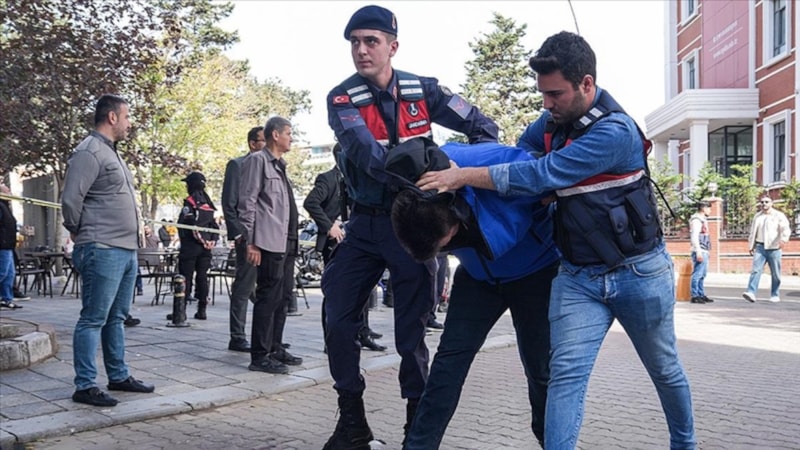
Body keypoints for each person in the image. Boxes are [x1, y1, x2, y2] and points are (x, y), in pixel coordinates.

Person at [416, 32, 696, 449]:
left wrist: (463, 176)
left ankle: (685, 443)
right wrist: (536, 181)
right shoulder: (551, 123)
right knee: (563, 376)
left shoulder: (615, 131)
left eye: (555, 94)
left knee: (664, 369)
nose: (547, 104)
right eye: (543, 94)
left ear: (586, 83)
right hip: (578, 277)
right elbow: (524, 156)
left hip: (638, 273)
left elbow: (541, 174)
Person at [322, 5, 499, 448]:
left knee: (412, 333)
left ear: (393, 46)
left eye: (371, 41)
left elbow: (484, 126)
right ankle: (351, 422)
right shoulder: (342, 98)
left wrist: (461, 172)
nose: (361, 50)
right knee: (337, 318)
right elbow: (369, 156)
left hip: (414, 229)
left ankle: (415, 428)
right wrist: (426, 167)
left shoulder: (424, 90)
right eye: (355, 42)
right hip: (365, 224)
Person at [385, 138, 558, 449]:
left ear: (453, 209)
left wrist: (469, 178)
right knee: (447, 366)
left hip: (534, 272)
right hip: (478, 278)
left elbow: (548, 176)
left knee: (540, 369)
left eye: (449, 242)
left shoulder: (485, 159)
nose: (450, 247)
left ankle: (553, 442)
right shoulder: (412, 192)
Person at [61, 94, 155, 407]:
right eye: (127, 117)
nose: (129, 123)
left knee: (116, 317)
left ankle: (118, 375)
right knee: (93, 318)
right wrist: (78, 230)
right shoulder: (89, 151)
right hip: (101, 247)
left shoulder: (110, 152)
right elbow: (71, 200)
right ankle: (85, 385)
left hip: (125, 249)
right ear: (112, 117)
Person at [303, 146, 386, 352]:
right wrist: (329, 225)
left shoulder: (359, 177)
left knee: (364, 288)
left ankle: (362, 332)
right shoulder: (328, 178)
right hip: (336, 241)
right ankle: (331, 338)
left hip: (359, 238)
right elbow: (311, 203)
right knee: (335, 290)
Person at [238, 116, 302, 374]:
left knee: (283, 296)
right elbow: (247, 202)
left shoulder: (280, 165)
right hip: (267, 241)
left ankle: (275, 347)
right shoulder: (257, 161)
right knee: (268, 297)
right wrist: (251, 242)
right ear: (275, 135)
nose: (291, 138)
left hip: (287, 240)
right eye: (288, 133)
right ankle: (260, 355)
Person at [221, 126, 265, 352]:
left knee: (265, 289)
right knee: (244, 286)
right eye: (263, 140)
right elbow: (229, 203)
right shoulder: (238, 165)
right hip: (248, 237)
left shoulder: (272, 166)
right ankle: (237, 336)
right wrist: (239, 234)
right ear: (252, 143)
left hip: (269, 237)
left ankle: (268, 335)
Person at [177, 171, 219, 320]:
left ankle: (180, 311)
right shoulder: (208, 203)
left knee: (185, 278)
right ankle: (202, 310)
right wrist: (211, 241)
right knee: (202, 278)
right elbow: (214, 226)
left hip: (190, 247)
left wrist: (202, 240)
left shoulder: (190, 202)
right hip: (206, 249)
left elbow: (190, 225)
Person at [743, 195, 791, 303]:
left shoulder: (778, 215)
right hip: (760, 247)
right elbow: (753, 232)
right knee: (756, 270)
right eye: (762, 202)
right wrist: (751, 245)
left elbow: (785, 229)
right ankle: (751, 292)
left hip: (774, 248)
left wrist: (783, 240)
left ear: (771, 203)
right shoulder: (757, 216)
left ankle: (775, 294)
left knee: (775, 273)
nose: (764, 204)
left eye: (766, 202)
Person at [0, 182, 22, 310]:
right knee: (2, 272)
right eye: (7, 191)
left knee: (10, 274)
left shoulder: (5, 206)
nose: (10, 193)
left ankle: (6, 299)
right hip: (2, 245)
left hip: (8, 244)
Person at [689, 201, 713, 304]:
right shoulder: (697, 220)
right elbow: (694, 236)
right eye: (709, 208)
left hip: (704, 249)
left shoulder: (703, 220)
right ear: (703, 208)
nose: (710, 210)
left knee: (702, 274)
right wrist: (698, 251)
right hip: (700, 250)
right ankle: (695, 295)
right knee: (697, 274)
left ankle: (701, 294)